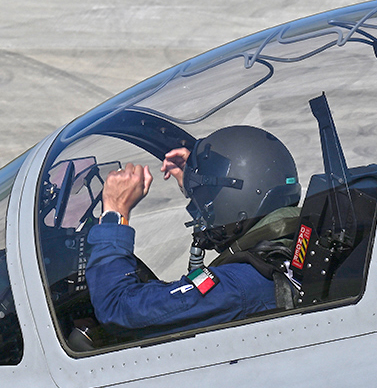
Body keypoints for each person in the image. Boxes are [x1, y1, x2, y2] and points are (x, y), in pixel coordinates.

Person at [86, 124, 300, 334]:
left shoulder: (236, 286)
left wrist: (114, 212)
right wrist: (198, 189)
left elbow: (118, 309)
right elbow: (226, 226)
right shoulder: (290, 244)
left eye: (210, 201)